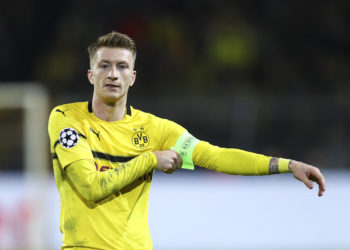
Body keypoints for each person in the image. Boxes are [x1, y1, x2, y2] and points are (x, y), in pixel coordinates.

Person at [48, 31, 326, 250]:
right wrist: (150, 159)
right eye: (104, 66)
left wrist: (286, 164)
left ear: (132, 78)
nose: (112, 74)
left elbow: (215, 156)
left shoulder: (155, 129)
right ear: (90, 74)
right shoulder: (67, 119)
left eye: (122, 67)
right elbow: (92, 187)